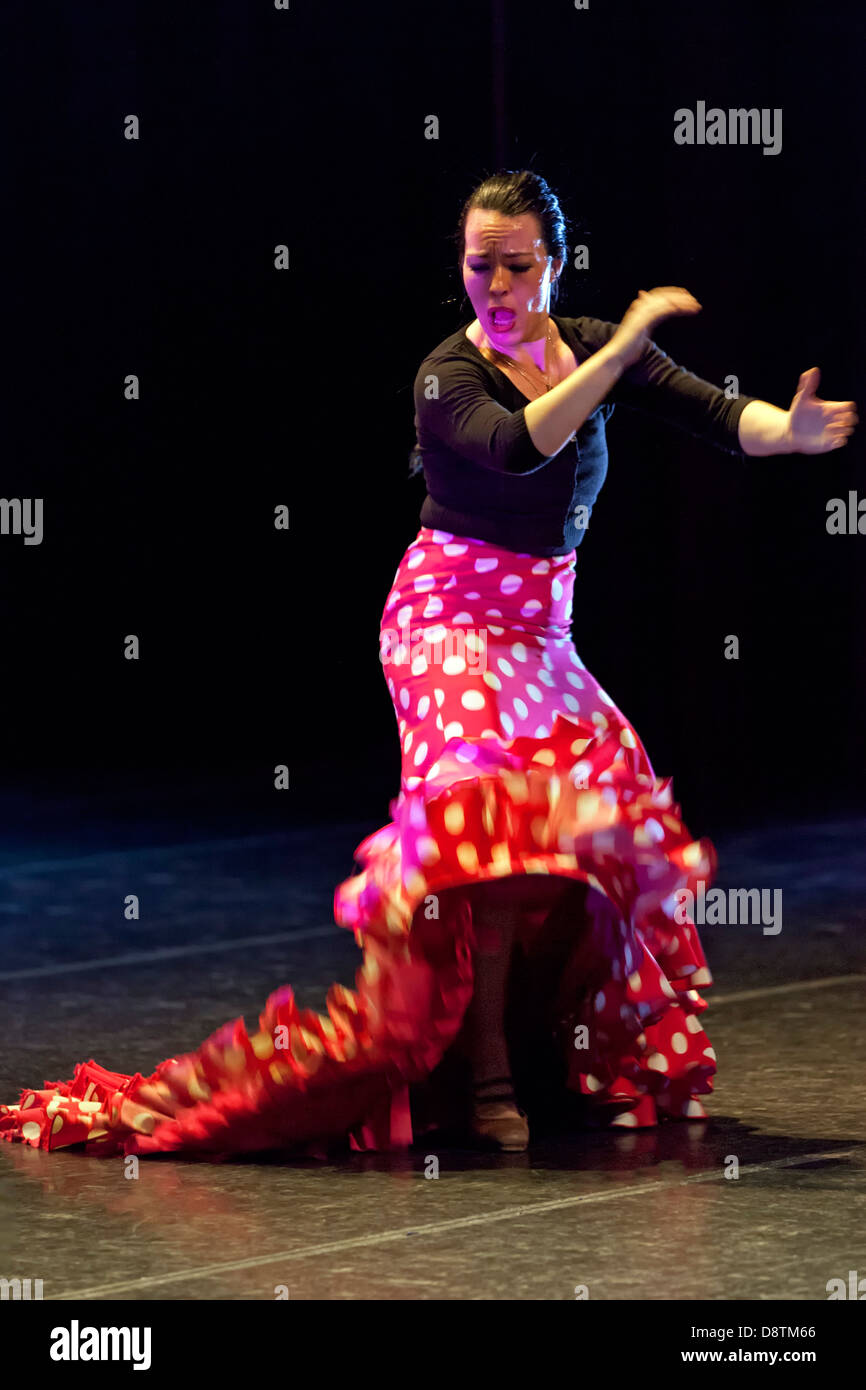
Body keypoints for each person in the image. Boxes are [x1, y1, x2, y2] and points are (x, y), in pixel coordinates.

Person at [0, 170, 856, 1160]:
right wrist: (618, 351)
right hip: (444, 622)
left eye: (515, 265)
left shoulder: (586, 350)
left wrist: (782, 434)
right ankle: (486, 1074)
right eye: (476, 264)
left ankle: (584, 1058)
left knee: (608, 793)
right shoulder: (446, 376)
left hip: (537, 633)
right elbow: (520, 447)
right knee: (480, 834)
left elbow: (714, 412)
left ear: (555, 263)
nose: (493, 285)